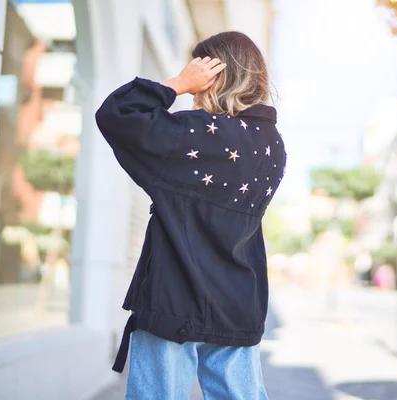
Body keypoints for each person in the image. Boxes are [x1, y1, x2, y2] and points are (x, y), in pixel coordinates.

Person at [95, 31, 286, 400]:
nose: (196, 93)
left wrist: (177, 84)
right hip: (238, 301)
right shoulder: (272, 145)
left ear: (214, 75)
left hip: (173, 299)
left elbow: (118, 114)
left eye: (199, 75)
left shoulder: (195, 135)